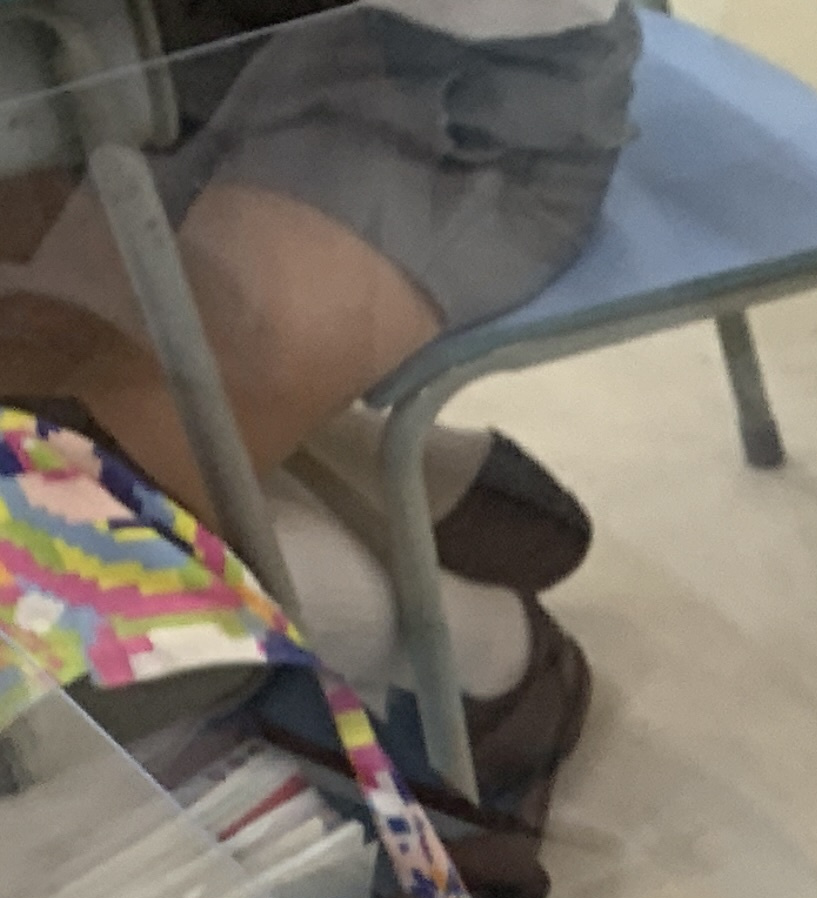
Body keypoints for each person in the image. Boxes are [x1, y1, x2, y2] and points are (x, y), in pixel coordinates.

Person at [0, 0, 640, 819]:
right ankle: (380, 481)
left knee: (47, 533)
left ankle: (478, 655)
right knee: (50, 468)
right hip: (108, 64)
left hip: (426, 76)